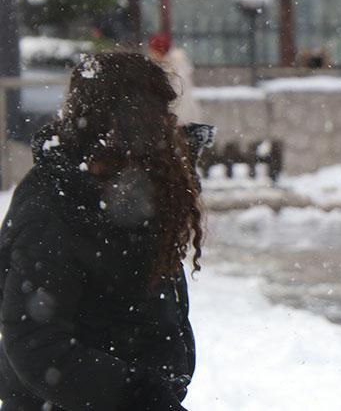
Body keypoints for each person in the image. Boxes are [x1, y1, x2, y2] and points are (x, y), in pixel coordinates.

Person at [0, 52, 206, 410]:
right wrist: (136, 394)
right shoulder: (51, 207)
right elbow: (35, 342)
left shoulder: (138, 192)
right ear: (122, 125)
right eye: (155, 116)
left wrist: (161, 384)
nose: (168, 125)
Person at [148, 32, 203, 125]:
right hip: (180, 115)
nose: (150, 53)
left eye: (153, 50)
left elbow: (177, 92)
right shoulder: (168, 64)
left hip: (181, 116)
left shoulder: (174, 66)